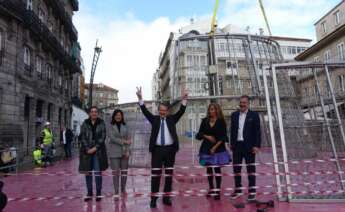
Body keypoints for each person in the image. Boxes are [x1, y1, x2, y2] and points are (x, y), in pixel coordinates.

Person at [136, 87, 188, 208]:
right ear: (158, 111)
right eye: (161, 110)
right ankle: (153, 199)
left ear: (168, 111)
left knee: (169, 175)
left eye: (164, 110)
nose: (162, 112)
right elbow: (145, 111)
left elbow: (181, 111)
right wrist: (140, 99)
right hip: (157, 151)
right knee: (156, 176)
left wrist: (184, 99)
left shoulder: (172, 119)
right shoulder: (154, 119)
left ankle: (166, 197)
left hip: (170, 150)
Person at [196, 103, 231, 200]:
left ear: (217, 110)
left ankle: (217, 191)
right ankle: (211, 189)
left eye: (212, 109)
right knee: (209, 169)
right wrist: (206, 136)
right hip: (206, 149)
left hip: (218, 149)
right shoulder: (204, 121)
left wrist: (214, 148)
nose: (210, 111)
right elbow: (199, 135)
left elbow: (223, 137)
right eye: (209, 109)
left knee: (217, 170)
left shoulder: (221, 122)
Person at [230, 95, 261, 201]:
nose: (242, 104)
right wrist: (231, 143)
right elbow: (232, 130)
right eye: (241, 102)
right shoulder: (234, 115)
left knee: (251, 170)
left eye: (244, 102)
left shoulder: (254, 115)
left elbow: (257, 131)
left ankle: (252, 192)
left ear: (248, 104)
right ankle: (238, 190)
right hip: (237, 146)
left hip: (249, 146)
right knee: (236, 169)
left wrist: (257, 145)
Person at [79, 106, 108, 202]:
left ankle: (98, 192)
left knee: (97, 172)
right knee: (87, 173)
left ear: (97, 113)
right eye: (92, 111)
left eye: (95, 111)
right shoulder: (85, 123)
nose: (94, 113)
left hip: (98, 152)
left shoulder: (101, 123)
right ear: (89, 113)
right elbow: (82, 137)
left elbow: (103, 137)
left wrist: (95, 148)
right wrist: (88, 149)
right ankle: (89, 192)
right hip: (87, 152)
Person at [107, 109, 132, 199]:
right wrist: (124, 141)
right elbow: (112, 138)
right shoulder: (110, 126)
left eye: (120, 115)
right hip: (114, 153)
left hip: (125, 152)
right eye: (116, 115)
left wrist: (128, 150)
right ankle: (116, 191)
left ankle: (123, 189)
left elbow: (129, 140)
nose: (118, 116)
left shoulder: (126, 125)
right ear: (114, 116)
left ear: (122, 116)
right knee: (116, 173)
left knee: (124, 173)